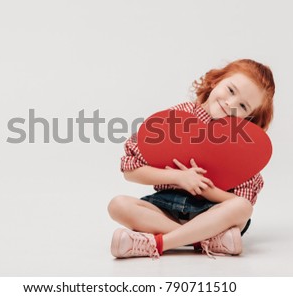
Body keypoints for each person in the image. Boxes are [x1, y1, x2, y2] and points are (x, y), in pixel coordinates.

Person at [107, 59, 276, 259]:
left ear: (249, 117)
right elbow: (130, 170)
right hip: (165, 208)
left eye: (242, 105)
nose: (230, 104)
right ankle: (204, 240)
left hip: (211, 213)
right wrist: (179, 178)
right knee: (118, 205)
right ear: (216, 81)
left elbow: (242, 202)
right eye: (231, 90)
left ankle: (158, 243)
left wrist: (206, 189)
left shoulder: (243, 143)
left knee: (243, 208)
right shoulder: (179, 116)